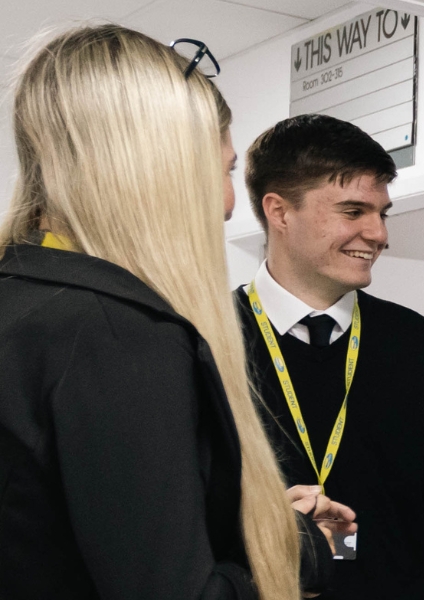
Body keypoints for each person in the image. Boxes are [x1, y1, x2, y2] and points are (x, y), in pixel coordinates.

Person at [0, 25, 353, 599]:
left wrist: (251, 525)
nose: (227, 204)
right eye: (221, 171)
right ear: (157, 174)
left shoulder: (25, 305)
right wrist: (307, 551)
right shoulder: (117, 334)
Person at [233, 114, 424, 598]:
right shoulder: (205, 339)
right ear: (279, 211)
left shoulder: (417, 345)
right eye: (353, 212)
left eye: (382, 213)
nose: (378, 234)